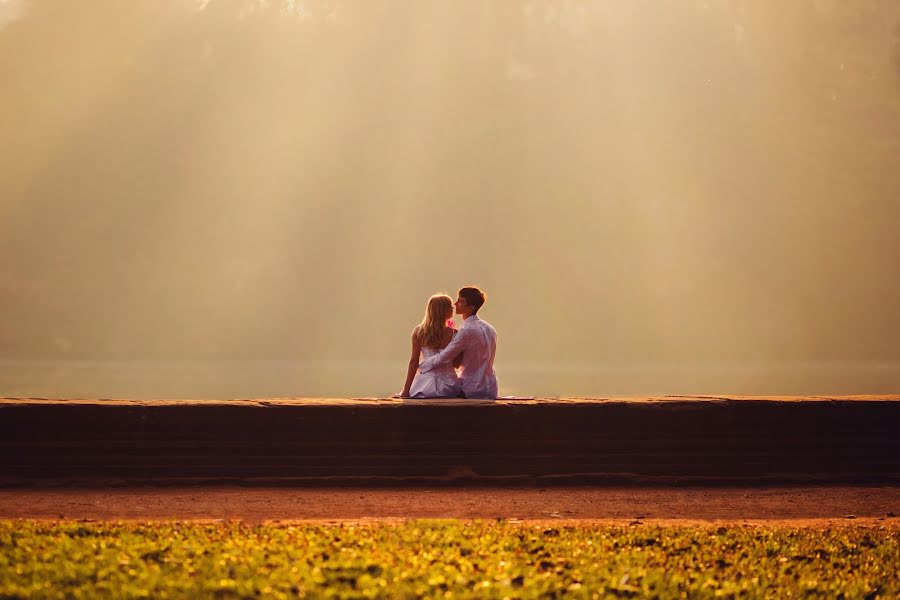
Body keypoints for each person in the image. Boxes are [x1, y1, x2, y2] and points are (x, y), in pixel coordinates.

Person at [417, 286, 498, 399]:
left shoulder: (466, 330)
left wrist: (421, 365)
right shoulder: (490, 329)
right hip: (491, 388)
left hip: (471, 388)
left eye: (460, 301)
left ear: (470, 307)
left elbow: (444, 357)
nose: (455, 304)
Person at [396, 294, 463, 399]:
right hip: (449, 386)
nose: (452, 308)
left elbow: (414, 362)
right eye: (450, 307)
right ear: (445, 311)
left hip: (424, 385)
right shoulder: (455, 334)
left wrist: (406, 390)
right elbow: (456, 364)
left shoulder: (419, 332)